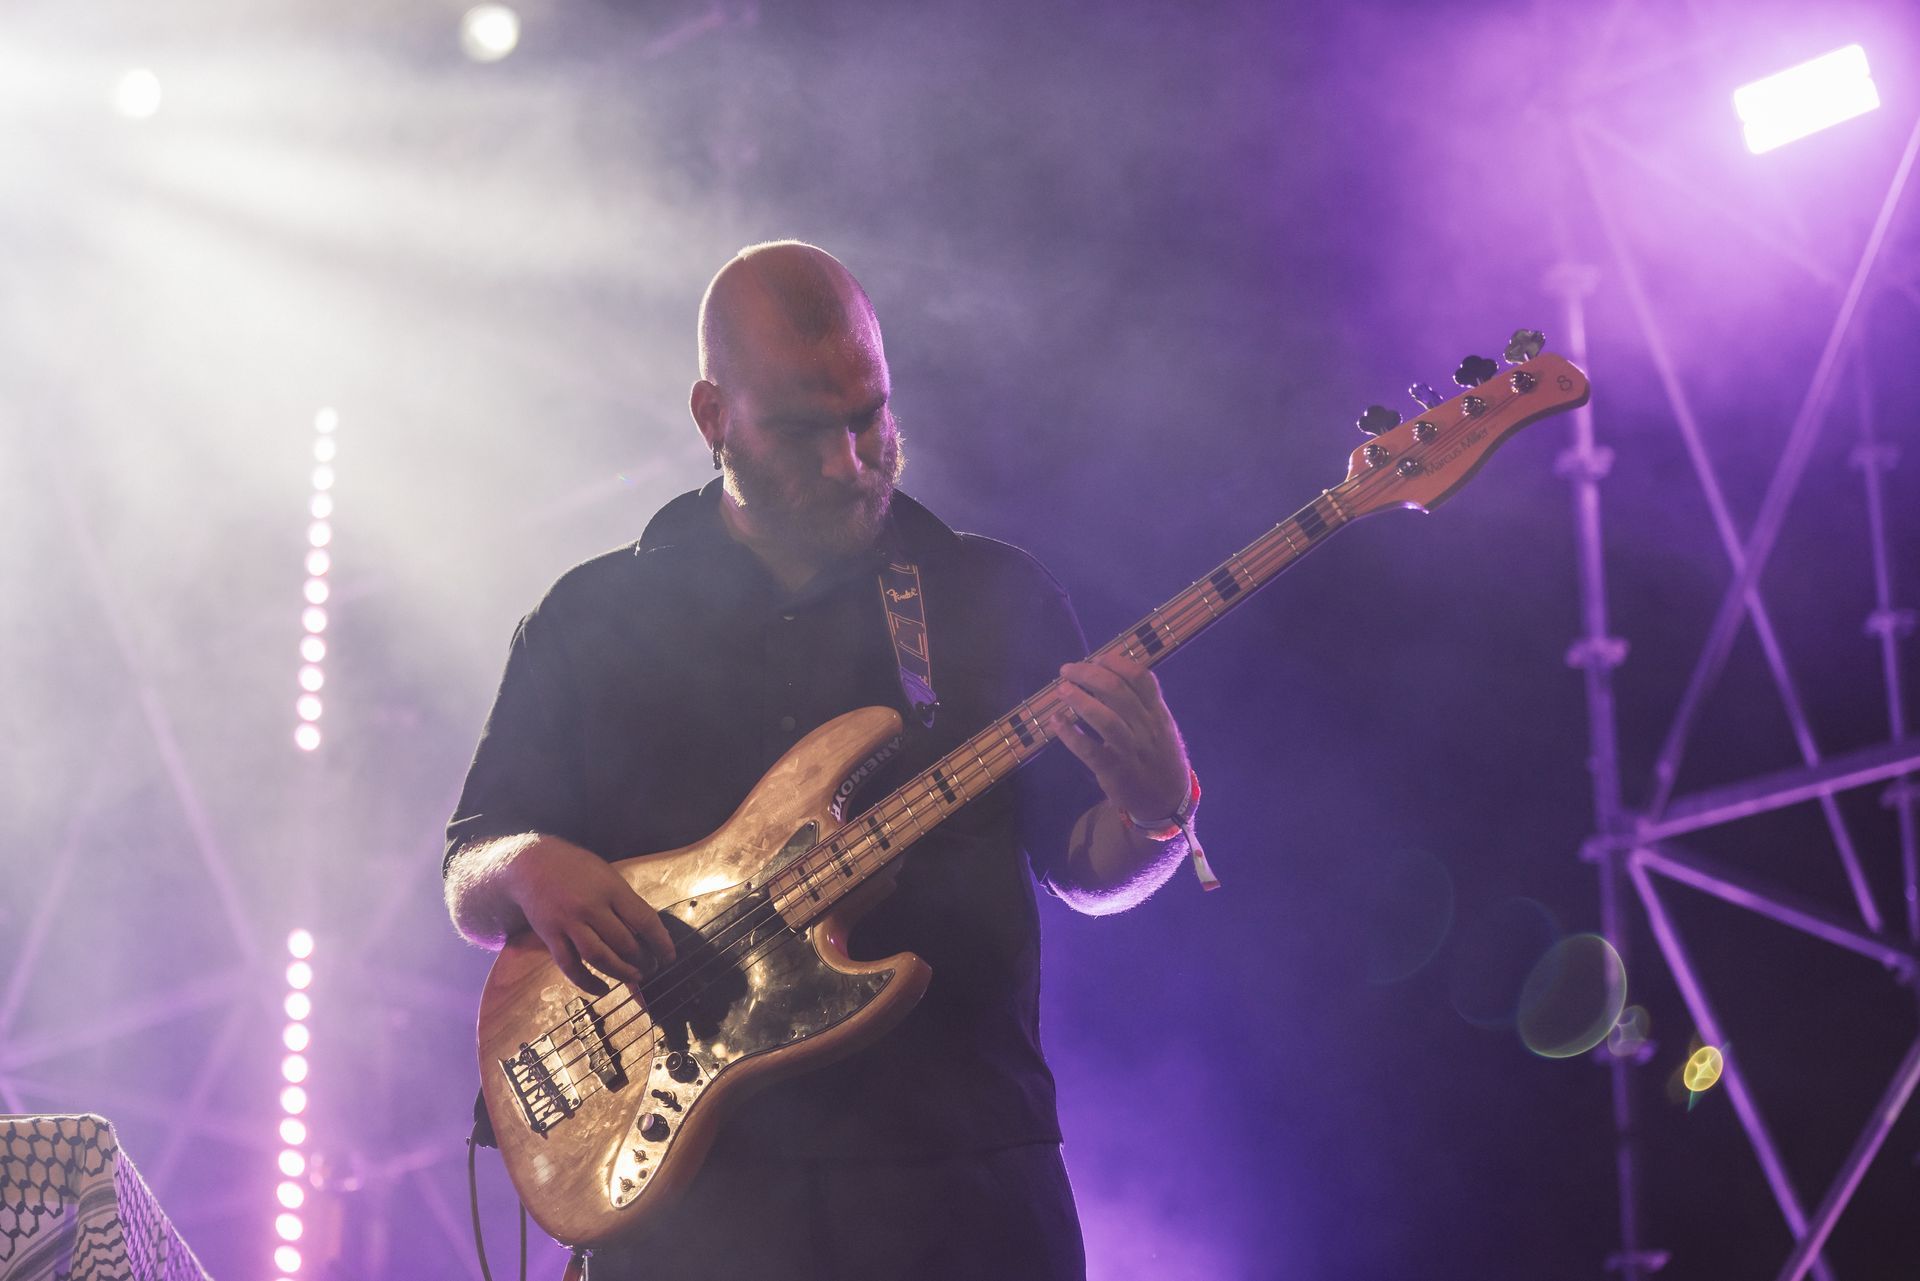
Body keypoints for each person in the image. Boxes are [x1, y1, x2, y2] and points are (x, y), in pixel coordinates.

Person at [443, 241, 1198, 1280]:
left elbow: (1087, 864)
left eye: (870, 416)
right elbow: (472, 863)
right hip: (692, 1208)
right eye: (804, 430)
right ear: (713, 416)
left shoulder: (991, 596)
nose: (850, 461)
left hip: (963, 1188)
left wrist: (1157, 813)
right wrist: (529, 865)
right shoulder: (592, 617)